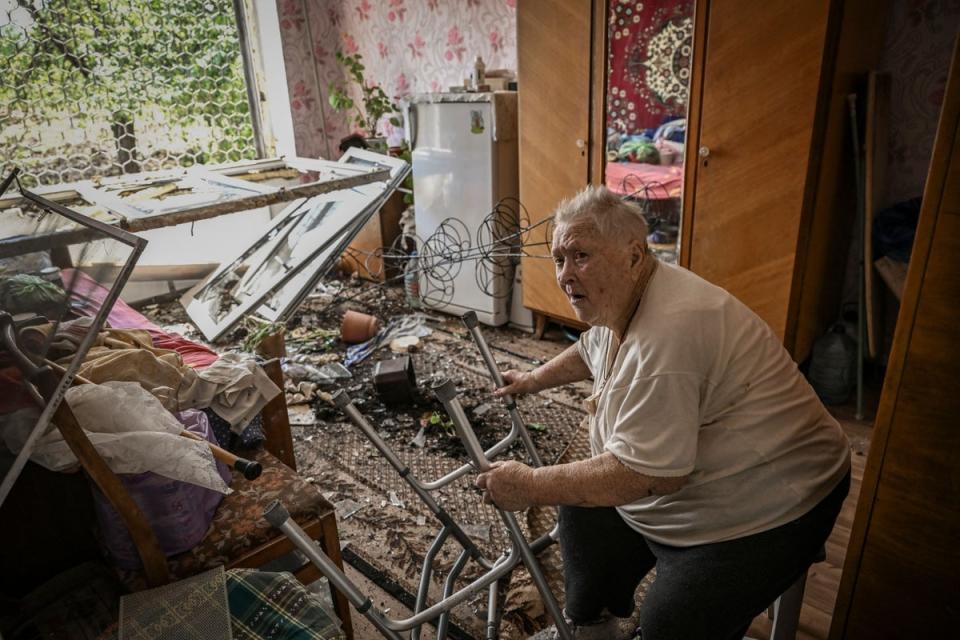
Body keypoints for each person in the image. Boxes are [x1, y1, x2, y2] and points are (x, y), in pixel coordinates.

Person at [475, 186, 850, 640]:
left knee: (670, 624)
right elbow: (591, 351)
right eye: (559, 259)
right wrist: (532, 380)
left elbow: (649, 475)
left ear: (633, 256)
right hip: (693, 479)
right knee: (579, 510)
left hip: (774, 504)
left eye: (580, 256)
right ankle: (593, 630)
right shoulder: (630, 294)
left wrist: (530, 486)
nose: (565, 275)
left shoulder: (670, 335)